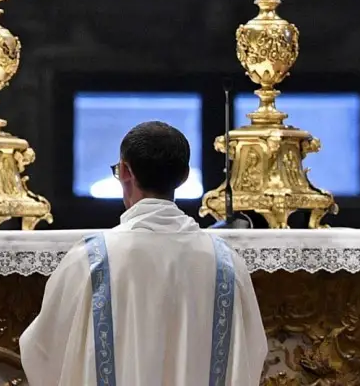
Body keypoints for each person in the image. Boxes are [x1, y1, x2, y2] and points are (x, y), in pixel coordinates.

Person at [19, 121, 270, 386]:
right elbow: (252, 354)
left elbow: (43, 350)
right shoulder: (226, 262)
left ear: (125, 170)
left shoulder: (90, 259)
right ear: (184, 176)